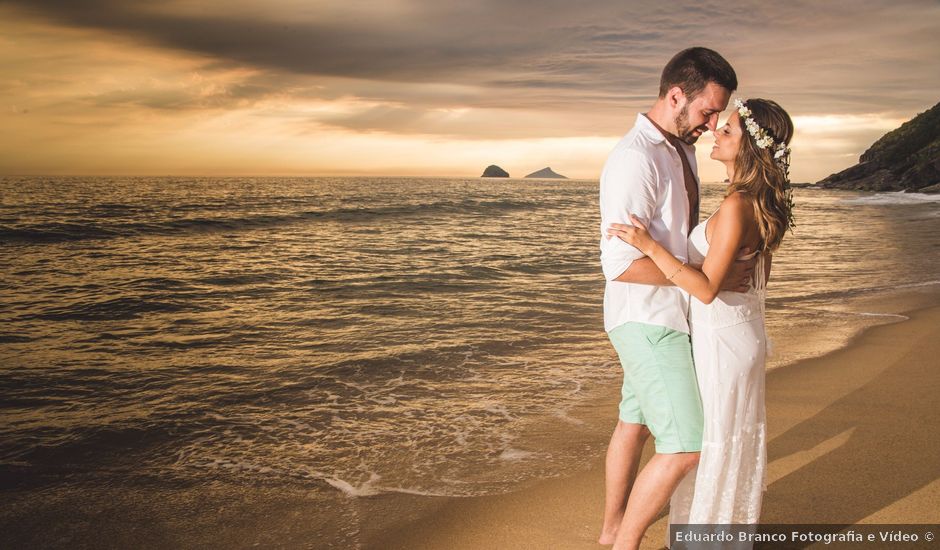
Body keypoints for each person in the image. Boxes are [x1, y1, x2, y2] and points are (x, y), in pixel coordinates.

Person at [607, 98, 794, 544]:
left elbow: (708, 288)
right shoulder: (754, 203)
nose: (715, 132)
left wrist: (651, 247)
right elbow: (728, 279)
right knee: (726, 441)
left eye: (727, 130)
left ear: (749, 148)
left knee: (711, 446)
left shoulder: (737, 206)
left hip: (722, 338)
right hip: (735, 332)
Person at [597, 47, 753, 550]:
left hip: (674, 314)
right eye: (708, 112)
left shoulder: (681, 148)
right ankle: (624, 542)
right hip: (647, 320)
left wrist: (703, 278)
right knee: (686, 446)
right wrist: (702, 276)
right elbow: (618, 265)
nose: (711, 126)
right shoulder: (634, 158)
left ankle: (608, 532)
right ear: (675, 95)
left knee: (634, 422)